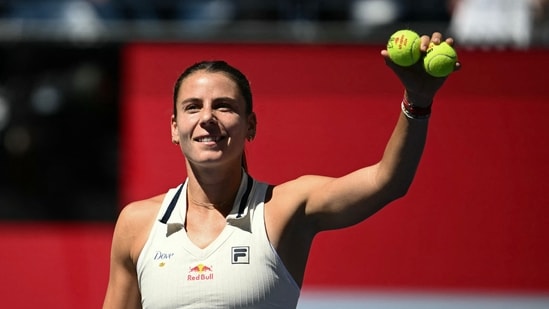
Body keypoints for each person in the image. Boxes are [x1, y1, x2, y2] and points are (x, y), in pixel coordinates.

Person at [103, 32, 460, 308]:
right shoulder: (137, 224)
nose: (207, 118)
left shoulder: (287, 206)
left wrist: (418, 101)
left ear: (251, 125)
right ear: (174, 127)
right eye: (193, 107)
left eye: (224, 106)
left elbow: (388, 181)